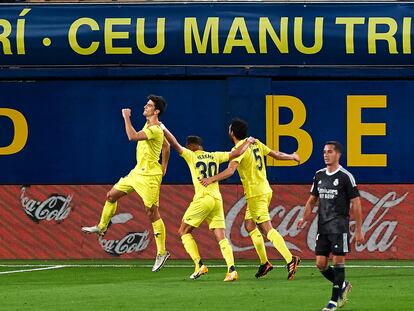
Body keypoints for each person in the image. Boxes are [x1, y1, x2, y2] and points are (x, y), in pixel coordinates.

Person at [200, 118, 301, 280]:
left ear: (232, 132)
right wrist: (292, 156)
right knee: (249, 225)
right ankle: (264, 263)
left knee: (266, 228)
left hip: (256, 194)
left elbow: (230, 171)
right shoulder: (255, 143)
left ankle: (291, 259)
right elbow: (276, 154)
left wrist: (211, 179)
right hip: (264, 190)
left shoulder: (239, 149)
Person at [82, 95, 171, 273]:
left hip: (149, 177)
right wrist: (165, 167)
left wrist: (126, 117)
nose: (145, 107)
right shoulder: (151, 125)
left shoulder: (155, 129)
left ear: (157, 111)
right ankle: (101, 226)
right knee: (111, 195)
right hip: (137, 172)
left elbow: (132, 137)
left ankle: (161, 252)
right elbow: (166, 146)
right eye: (146, 104)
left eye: (149, 105)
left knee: (152, 213)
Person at [161, 122, 255, 281]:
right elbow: (236, 153)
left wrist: (163, 128)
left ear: (190, 146)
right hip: (217, 199)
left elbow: (174, 144)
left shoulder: (191, 155)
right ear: (200, 146)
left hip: (203, 198)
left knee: (183, 231)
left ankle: (199, 265)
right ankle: (231, 270)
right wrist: (248, 141)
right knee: (221, 237)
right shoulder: (214, 155)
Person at [297, 141, 364, 311]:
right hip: (323, 227)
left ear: (338, 155)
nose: (326, 155)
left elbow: (356, 203)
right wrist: (304, 218)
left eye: (330, 152)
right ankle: (343, 284)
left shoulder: (345, 177)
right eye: (324, 152)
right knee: (320, 264)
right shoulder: (319, 175)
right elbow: (311, 200)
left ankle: (333, 302)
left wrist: (358, 230)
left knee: (338, 262)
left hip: (339, 227)